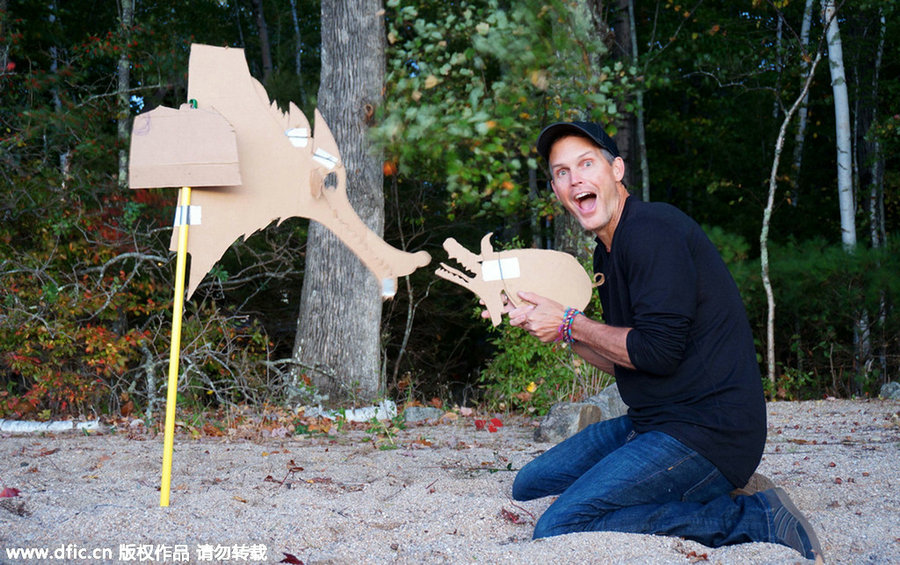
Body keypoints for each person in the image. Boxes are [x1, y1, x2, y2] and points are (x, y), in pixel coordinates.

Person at [502, 121, 824, 562]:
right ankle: (682, 486)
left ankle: (755, 517)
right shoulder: (607, 250)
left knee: (561, 524)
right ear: (556, 190)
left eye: (586, 163)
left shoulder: (653, 230)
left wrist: (571, 321)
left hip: (709, 432)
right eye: (561, 172)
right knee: (530, 484)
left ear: (617, 169)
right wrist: (556, 328)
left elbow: (656, 349)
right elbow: (628, 360)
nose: (574, 178)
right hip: (653, 421)